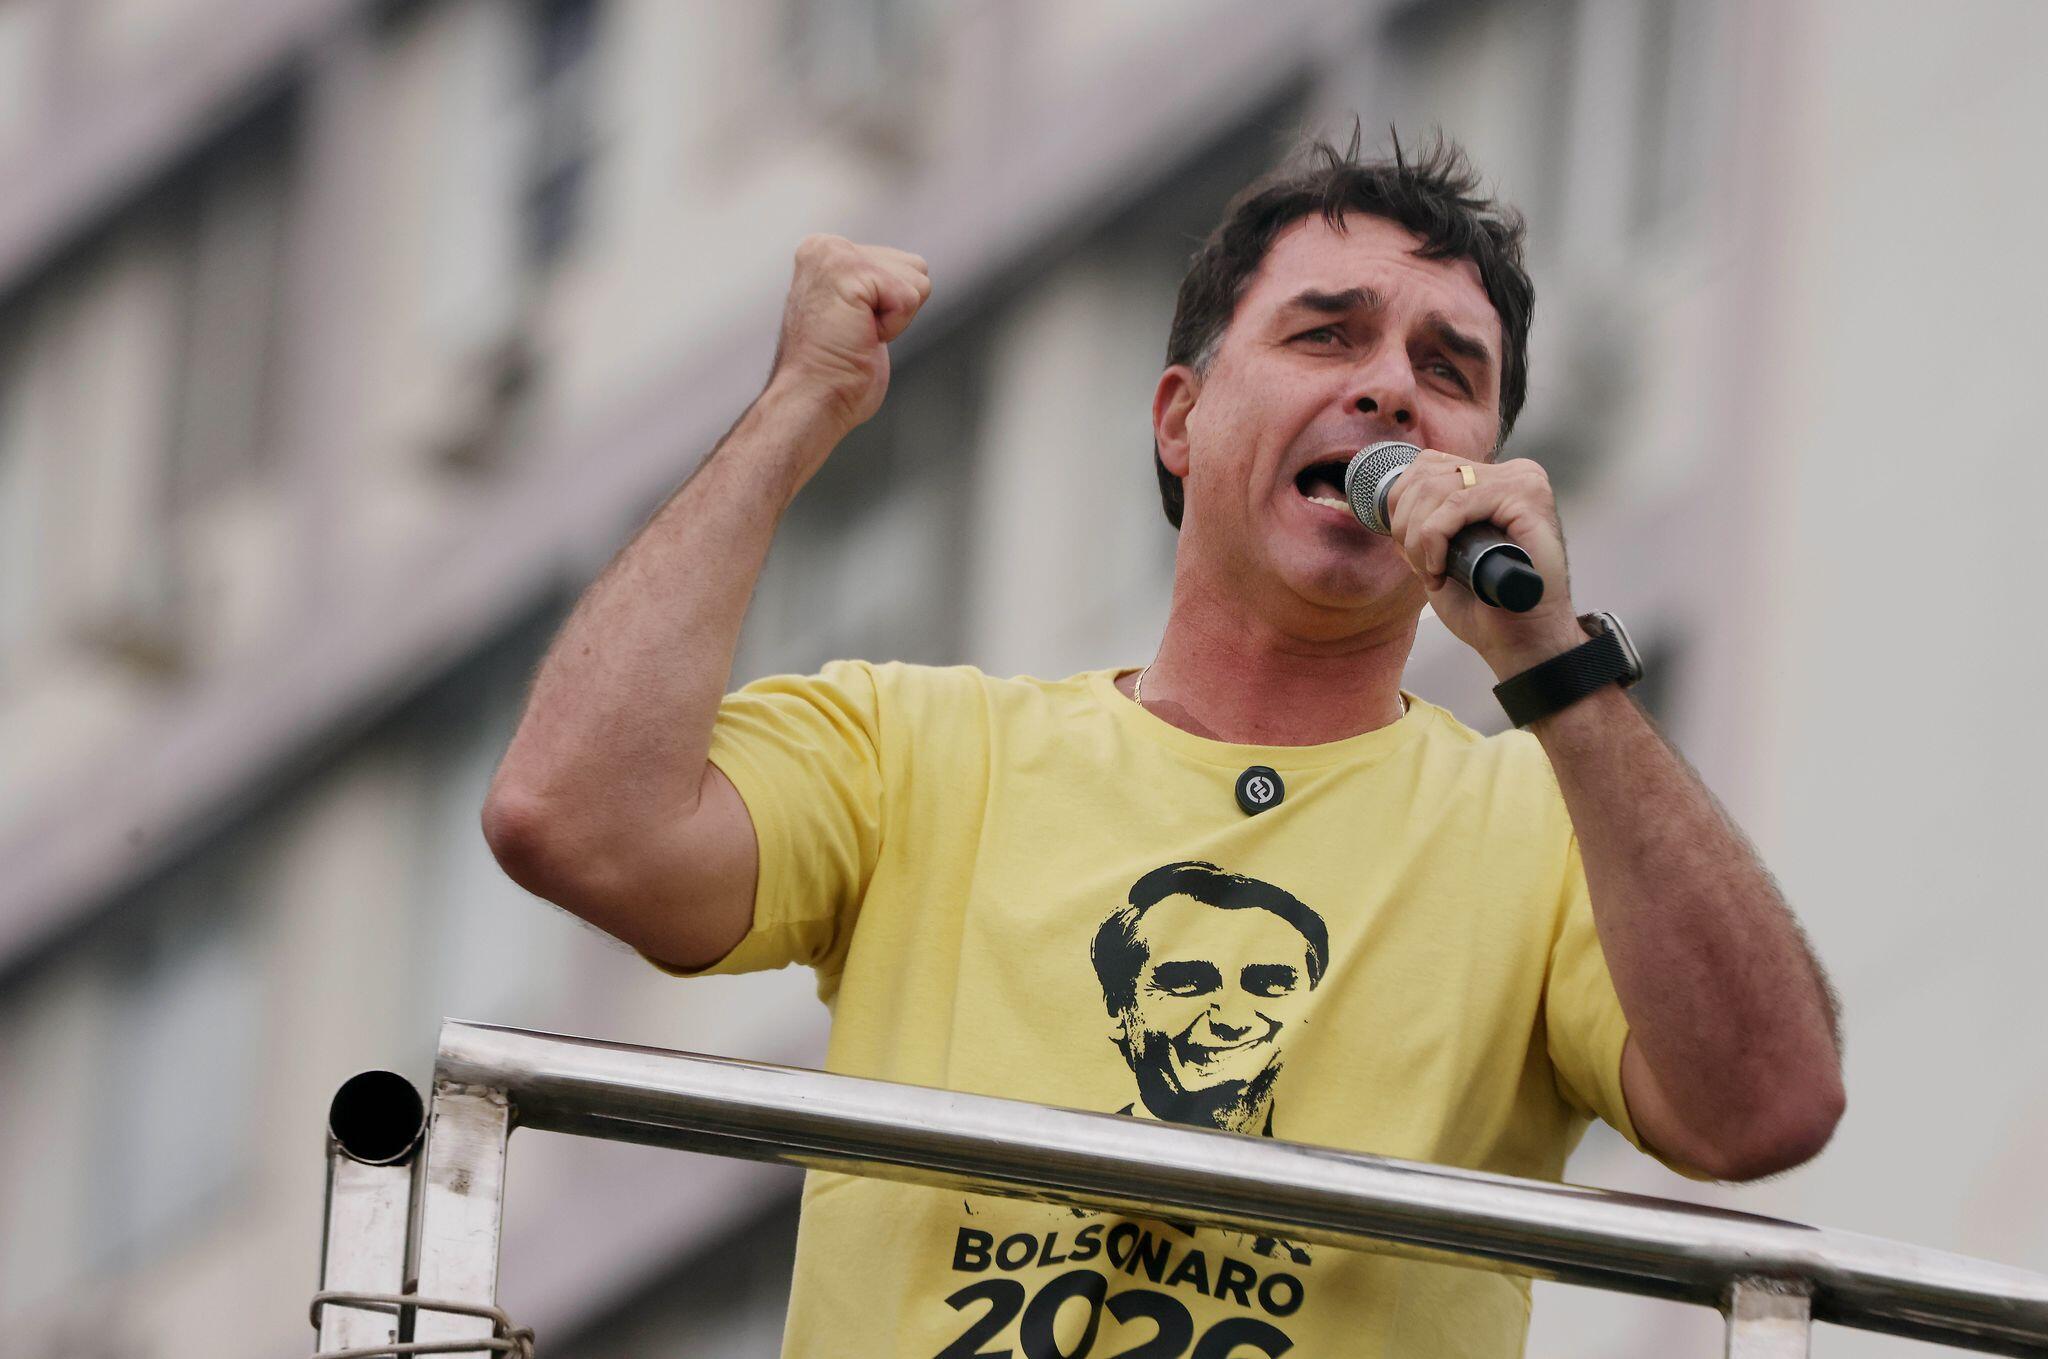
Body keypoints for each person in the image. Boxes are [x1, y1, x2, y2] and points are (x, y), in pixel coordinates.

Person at [482, 127, 1845, 1358]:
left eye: (1450, 371)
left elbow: (1764, 1110)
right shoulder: (922, 751)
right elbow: (576, 820)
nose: (1391, 390)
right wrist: (800, 405)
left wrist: (1558, 667)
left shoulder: (1545, 832)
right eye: (1328, 335)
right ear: (1179, 420)